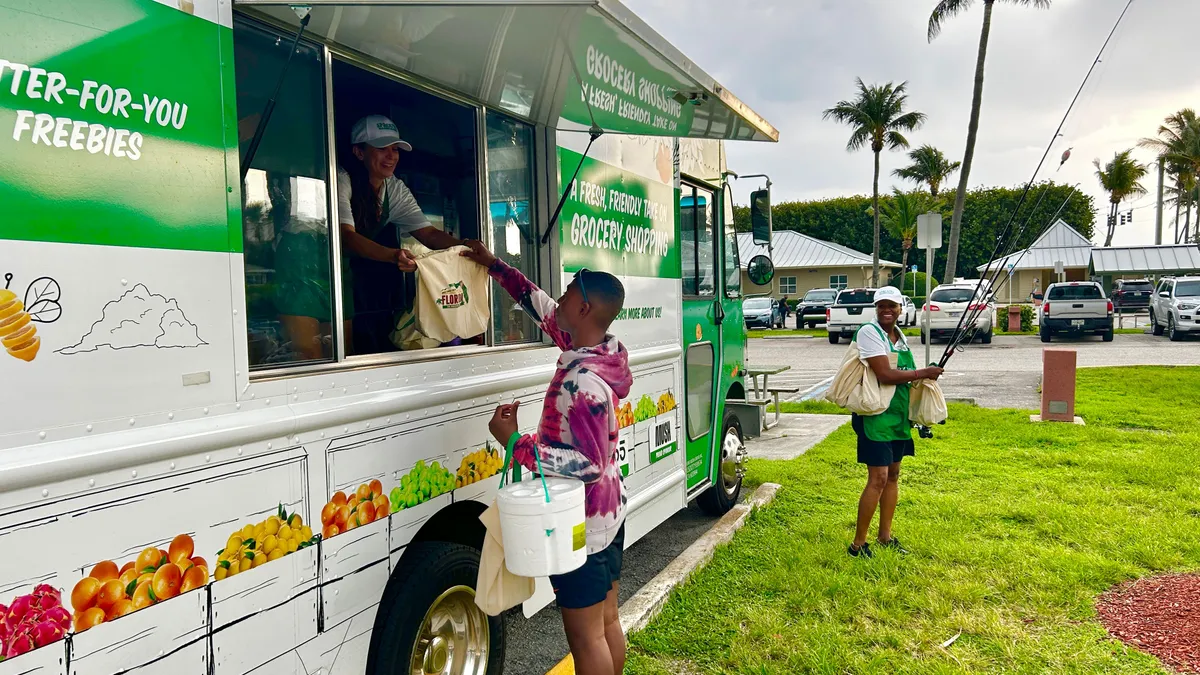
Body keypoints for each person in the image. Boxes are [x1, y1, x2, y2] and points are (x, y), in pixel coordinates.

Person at [464, 241, 632, 675]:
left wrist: (515, 442)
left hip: (586, 529)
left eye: (569, 293)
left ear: (584, 307)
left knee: (587, 636)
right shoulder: (595, 350)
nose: (559, 298)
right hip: (608, 519)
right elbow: (540, 305)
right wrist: (495, 266)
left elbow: (588, 464)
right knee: (607, 621)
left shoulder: (584, 384)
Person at [335, 114, 464, 354]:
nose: (391, 156)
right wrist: (394, 256)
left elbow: (427, 234)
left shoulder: (393, 188)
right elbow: (346, 237)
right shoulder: (342, 180)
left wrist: (464, 245)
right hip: (310, 267)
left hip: (346, 276)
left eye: (395, 149)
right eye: (382, 148)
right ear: (359, 152)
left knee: (346, 349)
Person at [848, 286, 943, 558]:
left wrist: (924, 375)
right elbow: (885, 374)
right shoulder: (869, 332)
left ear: (901, 308)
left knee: (893, 476)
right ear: (875, 308)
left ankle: (885, 537)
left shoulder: (899, 337)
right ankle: (858, 545)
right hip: (875, 417)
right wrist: (923, 371)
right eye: (881, 306)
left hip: (899, 416)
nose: (886, 311)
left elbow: (903, 375)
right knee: (877, 479)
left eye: (892, 306)